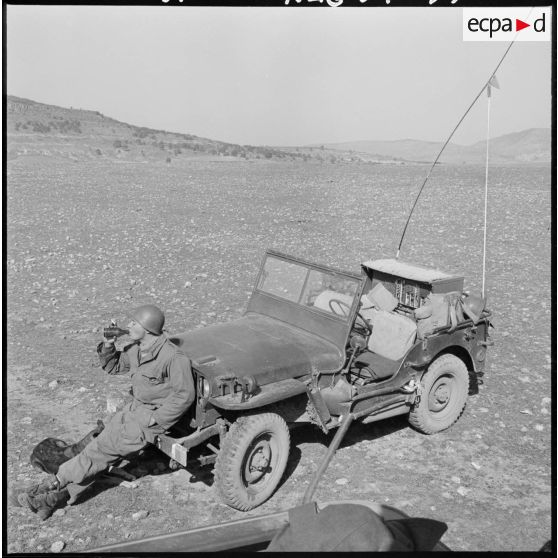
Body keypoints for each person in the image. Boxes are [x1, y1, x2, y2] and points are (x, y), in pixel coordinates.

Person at [11, 304, 195, 520]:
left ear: (147, 328)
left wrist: (156, 420)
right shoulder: (138, 348)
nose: (129, 325)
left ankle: (46, 486)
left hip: (146, 421)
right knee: (98, 457)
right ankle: (51, 500)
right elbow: (113, 366)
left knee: (96, 453)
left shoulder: (173, 357)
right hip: (132, 412)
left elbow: (185, 395)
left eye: (134, 322)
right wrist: (109, 345)